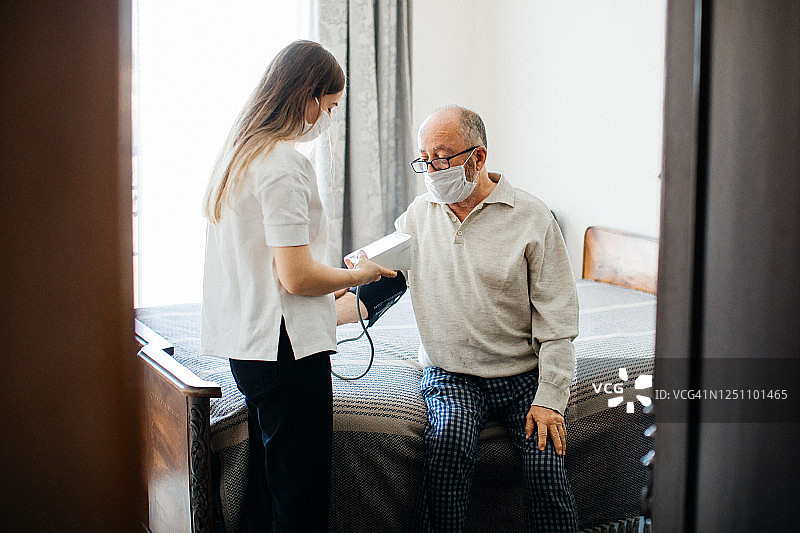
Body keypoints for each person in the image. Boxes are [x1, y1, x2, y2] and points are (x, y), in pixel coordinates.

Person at [340, 105, 579, 532]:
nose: (431, 169)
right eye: (424, 157)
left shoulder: (532, 218)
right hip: (451, 375)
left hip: (522, 373)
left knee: (545, 466)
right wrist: (312, 308)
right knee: (447, 449)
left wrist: (550, 397)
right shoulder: (417, 216)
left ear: (478, 157)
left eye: (443, 156)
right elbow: (373, 289)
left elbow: (558, 321)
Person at [200, 40, 396, 532]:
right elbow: (296, 277)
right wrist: (361, 274)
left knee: (271, 484)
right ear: (307, 96)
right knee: (301, 497)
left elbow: (268, 269)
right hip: (285, 352)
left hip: (249, 346)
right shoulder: (283, 164)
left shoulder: (237, 156)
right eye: (328, 107)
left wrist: (336, 282)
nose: (327, 119)